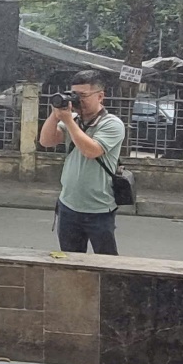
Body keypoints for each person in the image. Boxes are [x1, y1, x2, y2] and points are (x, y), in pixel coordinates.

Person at [39, 69, 125, 255]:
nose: (78, 100)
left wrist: (69, 122)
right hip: (68, 206)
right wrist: (56, 114)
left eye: (83, 96)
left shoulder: (112, 124)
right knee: (71, 261)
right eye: (74, 95)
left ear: (100, 96)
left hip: (99, 209)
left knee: (106, 262)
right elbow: (46, 141)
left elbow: (91, 151)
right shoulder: (73, 120)